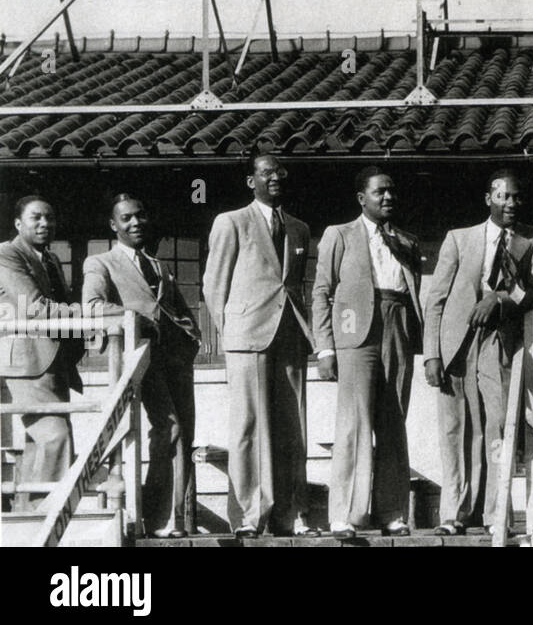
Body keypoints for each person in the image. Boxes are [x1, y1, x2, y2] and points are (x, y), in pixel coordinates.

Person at [422, 168, 533, 536]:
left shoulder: (531, 240)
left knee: (497, 425)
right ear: (488, 199)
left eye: (516, 197)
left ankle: (495, 512)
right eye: (502, 196)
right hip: (456, 343)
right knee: (455, 428)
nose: (510, 203)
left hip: (499, 341)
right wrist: (432, 354)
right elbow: (437, 300)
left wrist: (502, 298)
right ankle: (452, 513)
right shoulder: (459, 239)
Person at [202, 153, 314, 537]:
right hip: (246, 337)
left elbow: (294, 286)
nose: (275, 177)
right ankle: (248, 517)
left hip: (290, 336)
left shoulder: (299, 228)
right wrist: (232, 331)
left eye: (280, 171)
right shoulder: (231, 222)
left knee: (292, 428)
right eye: (266, 172)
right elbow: (214, 286)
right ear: (251, 181)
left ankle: (289, 514)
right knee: (249, 428)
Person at [313, 167, 425, 539]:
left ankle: (392, 511)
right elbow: (322, 291)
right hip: (354, 330)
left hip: (397, 325)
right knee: (354, 423)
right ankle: (345, 513)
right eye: (380, 192)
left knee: (393, 422)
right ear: (362, 198)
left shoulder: (407, 242)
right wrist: (325, 347)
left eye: (392, 191)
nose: (388, 197)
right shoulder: (339, 235)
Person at [83, 193, 200, 537]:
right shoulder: (100, 262)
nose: (135, 223)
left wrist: (192, 337)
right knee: (169, 428)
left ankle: (171, 520)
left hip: (175, 361)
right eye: (126, 218)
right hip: (137, 359)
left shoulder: (158, 263)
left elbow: (176, 309)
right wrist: (134, 318)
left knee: (183, 435)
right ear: (113, 225)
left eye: (140, 215)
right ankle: (155, 517)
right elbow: (92, 306)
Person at [0, 195, 90, 511]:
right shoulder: (7, 255)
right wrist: (91, 313)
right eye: (36, 217)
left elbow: (60, 308)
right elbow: (36, 307)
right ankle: (46, 517)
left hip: (54, 363)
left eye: (50, 218)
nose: (44, 224)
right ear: (17, 223)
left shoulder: (50, 259)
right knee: (55, 437)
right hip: (25, 363)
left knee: (39, 446)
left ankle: (26, 524)